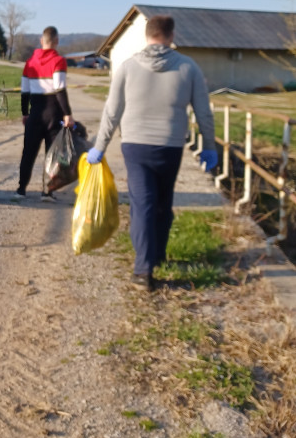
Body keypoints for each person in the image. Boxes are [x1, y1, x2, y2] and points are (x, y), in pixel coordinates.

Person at [87, 14, 217, 291]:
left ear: (147, 35)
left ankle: (144, 269)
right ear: (171, 36)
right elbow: (204, 113)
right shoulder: (188, 67)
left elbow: (112, 112)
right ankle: (156, 254)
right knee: (161, 202)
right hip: (170, 145)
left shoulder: (127, 67)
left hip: (135, 145)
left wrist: (100, 146)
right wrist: (210, 147)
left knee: (143, 204)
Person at [16, 25, 78, 201]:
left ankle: (21, 189)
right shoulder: (59, 61)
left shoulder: (29, 62)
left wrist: (24, 113)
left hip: (35, 111)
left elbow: (24, 91)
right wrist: (67, 114)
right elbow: (60, 89)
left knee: (28, 152)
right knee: (52, 154)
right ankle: (47, 192)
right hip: (53, 111)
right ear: (56, 41)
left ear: (41, 41)